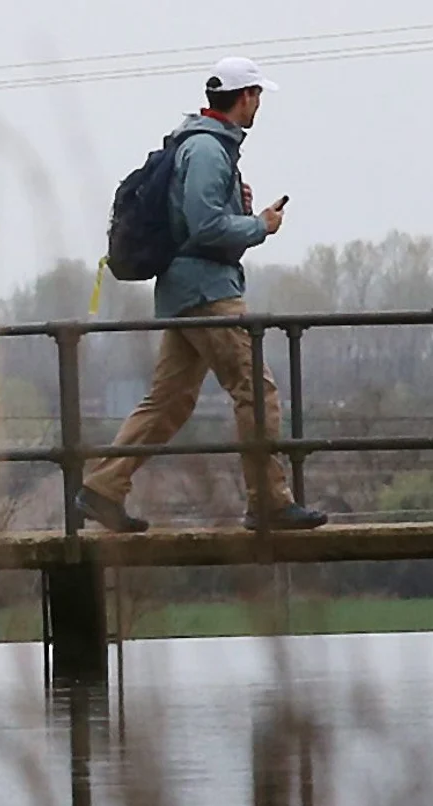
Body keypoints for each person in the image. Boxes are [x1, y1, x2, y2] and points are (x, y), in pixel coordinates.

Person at [78, 58, 327, 533]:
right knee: (256, 390)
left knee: (169, 401)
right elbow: (206, 226)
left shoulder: (195, 144)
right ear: (246, 96)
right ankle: (269, 502)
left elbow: (197, 218)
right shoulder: (210, 151)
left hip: (181, 290)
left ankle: (103, 488)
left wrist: (242, 208)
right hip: (207, 292)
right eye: (258, 96)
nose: (259, 106)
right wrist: (260, 226)